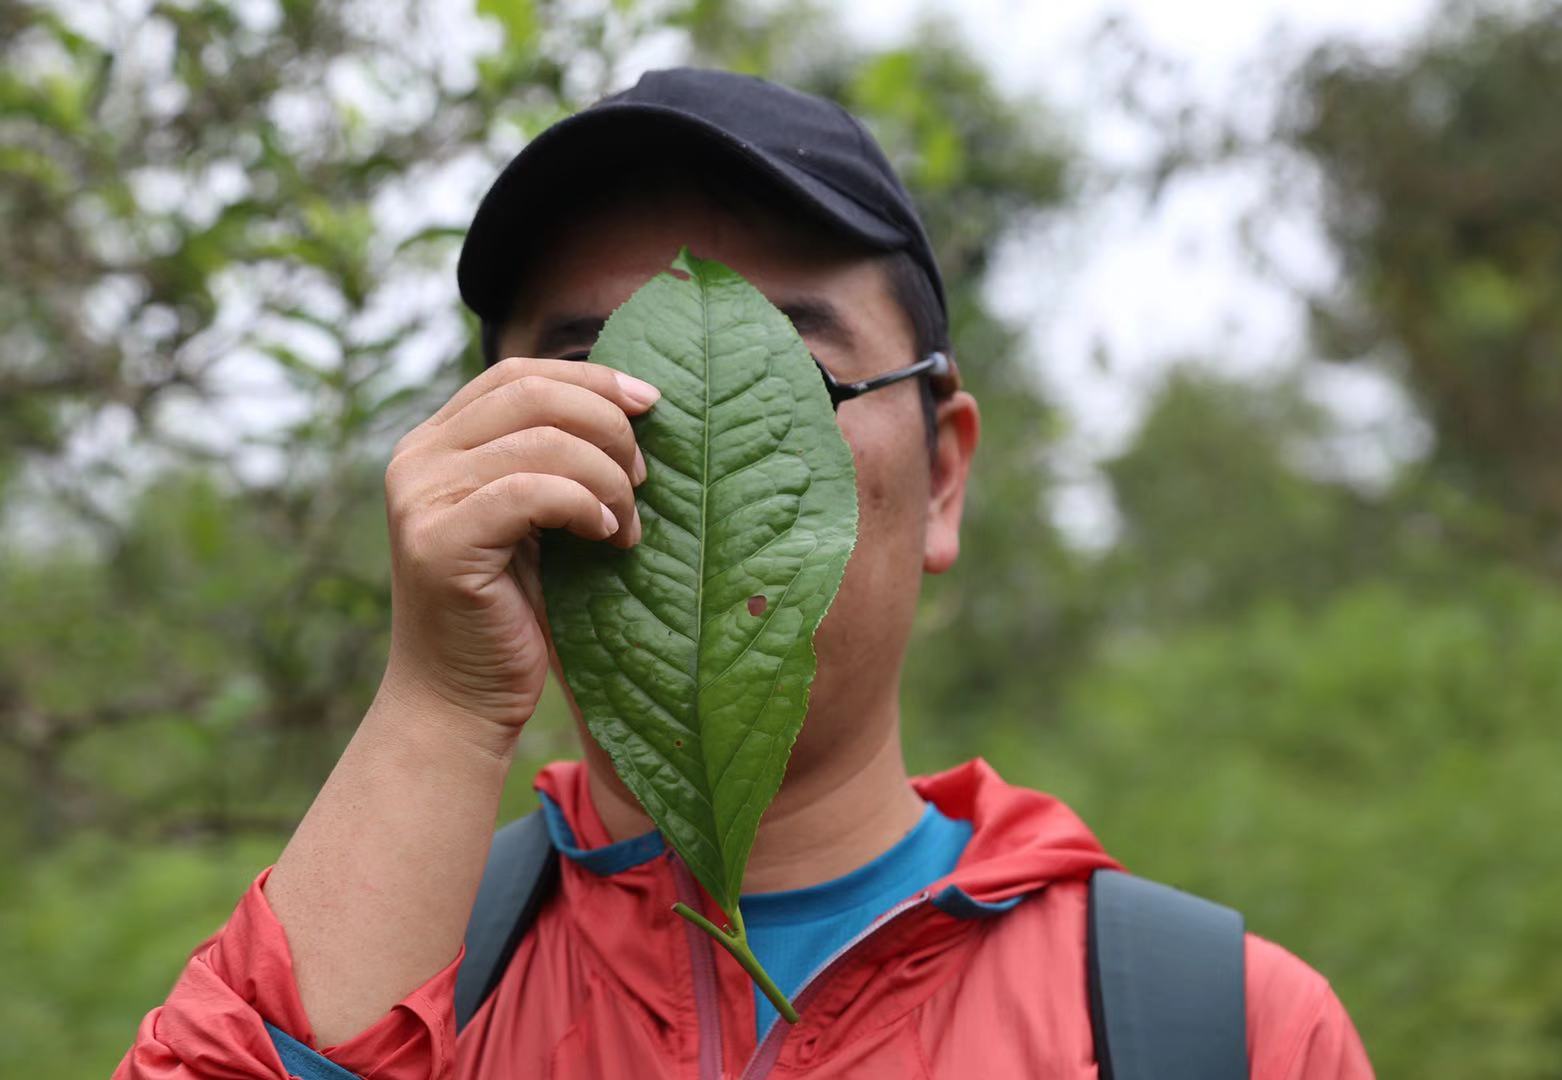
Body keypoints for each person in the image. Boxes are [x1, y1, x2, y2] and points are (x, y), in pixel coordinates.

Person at [116, 67, 1374, 1079]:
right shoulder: (409, 984)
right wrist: (441, 707)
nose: (673, 437)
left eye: (788, 378)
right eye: (586, 378)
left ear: (942, 474)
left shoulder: (1226, 1032)